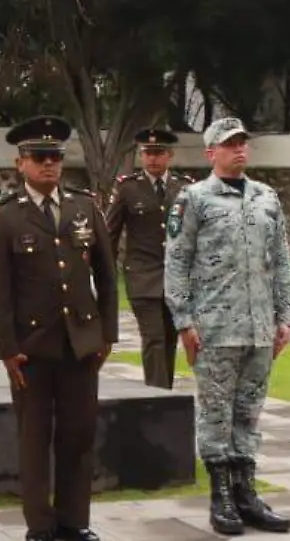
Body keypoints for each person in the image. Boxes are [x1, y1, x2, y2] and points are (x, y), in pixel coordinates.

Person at [0, 116, 118, 541]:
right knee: (35, 440)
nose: (49, 166)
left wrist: (107, 334)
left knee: (78, 436)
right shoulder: (4, 218)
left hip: (80, 343)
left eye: (55, 157)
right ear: (20, 164)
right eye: (39, 158)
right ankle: (40, 526)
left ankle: (75, 521)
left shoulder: (84, 207)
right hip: (32, 348)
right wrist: (6, 348)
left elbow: (107, 277)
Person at [165, 118, 290, 536]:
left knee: (249, 413)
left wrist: (285, 316)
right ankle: (220, 496)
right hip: (216, 327)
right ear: (211, 153)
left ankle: (246, 493)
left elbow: (281, 261)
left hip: (260, 327)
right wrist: (184, 321)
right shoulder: (194, 199)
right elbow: (177, 263)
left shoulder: (266, 198)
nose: (239, 150)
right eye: (229, 144)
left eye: (243, 143)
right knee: (217, 414)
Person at [106, 126, 196, 389]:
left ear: (169, 155)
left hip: (176, 277)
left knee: (169, 338)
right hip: (142, 277)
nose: (152, 159)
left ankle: (162, 393)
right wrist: (105, 274)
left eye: (158, 153)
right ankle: (157, 398)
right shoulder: (127, 189)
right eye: (147, 153)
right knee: (154, 337)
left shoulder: (185, 188)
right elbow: (110, 234)